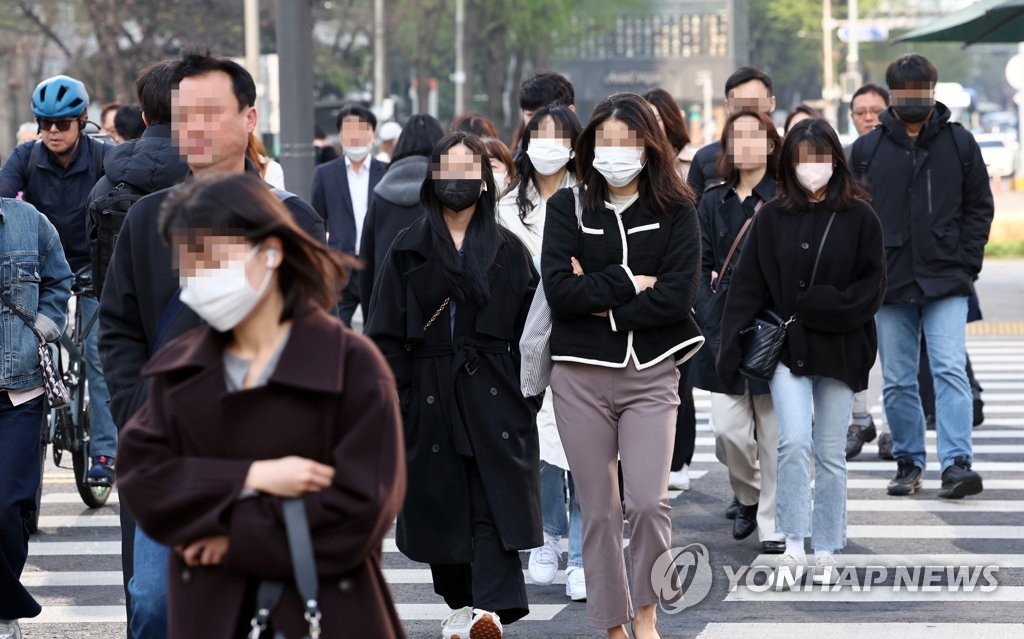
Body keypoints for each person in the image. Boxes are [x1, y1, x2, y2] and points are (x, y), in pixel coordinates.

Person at [116, 173, 405, 639]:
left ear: (270, 252)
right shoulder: (181, 368)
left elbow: (361, 511)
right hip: (208, 614)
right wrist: (251, 477)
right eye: (186, 265)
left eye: (210, 257)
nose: (197, 279)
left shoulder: (349, 364)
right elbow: (144, 479)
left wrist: (227, 538)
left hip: (325, 612)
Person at [99, 49, 326, 639]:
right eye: (184, 116)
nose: (193, 129)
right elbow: (118, 327)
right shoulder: (148, 220)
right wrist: (135, 414)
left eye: (209, 112)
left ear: (250, 118)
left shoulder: (293, 220)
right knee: (153, 604)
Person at [365, 132, 541, 639]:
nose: (458, 180)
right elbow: (384, 332)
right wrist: (396, 401)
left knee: (491, 497)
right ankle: (464, 605)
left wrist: (527, 394)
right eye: (448, 169)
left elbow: (531, 332)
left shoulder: (508, 249)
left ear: (484, 181)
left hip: (495, 391)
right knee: (445, 501)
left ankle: (488, 609)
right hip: (428, 391)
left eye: (469, 170)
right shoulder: (408, 246)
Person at [542, 92, 702, 638]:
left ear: (648, 147)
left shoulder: (677, 209)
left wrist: (598, 291)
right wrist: (632, 283)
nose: (616, 152)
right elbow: (561, 292)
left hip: (652, 371)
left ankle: (647, 616)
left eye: (627, 141)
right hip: (579, 376)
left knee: (649, 502)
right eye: (605, 141)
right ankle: (612, 626)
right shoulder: (567, 208)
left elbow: (678, 297)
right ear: (589, 147)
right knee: (601, 510)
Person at [718, 117, 885, 589]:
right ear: (789, 164)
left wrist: (829, 305)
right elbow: (747, 285)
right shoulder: (771, 215)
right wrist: (730, 348)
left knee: (830, 451)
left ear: (836, 159)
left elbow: (873, 284)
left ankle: (827, 545)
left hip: (842, 347)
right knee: (792, 442)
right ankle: (794, 541)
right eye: (802, 157)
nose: (812, 167)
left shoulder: (860, 216)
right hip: (789, 349)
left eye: (821, 156)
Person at [850, 54, 993, 500]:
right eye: (904, 92)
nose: (913, 100)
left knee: (950, 368)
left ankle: (956, 463)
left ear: (933, 91)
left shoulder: (959, 143)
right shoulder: (867, 151)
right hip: (890, 282)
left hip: (948, 277)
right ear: (892, 96)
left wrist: (967, 260)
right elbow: (852, 216)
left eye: (921, 91)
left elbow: (979, 207)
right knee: (897, 378)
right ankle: (909, 461)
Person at [0, 74, 118, 490]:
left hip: (93, 270)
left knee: (99, 357)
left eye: (62, 123)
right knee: (29, 349)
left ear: (83, 120)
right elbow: (3, 200)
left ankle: (105, 451)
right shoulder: (25, 158)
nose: (52, 131)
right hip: (42, 276)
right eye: (44, 123)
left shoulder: (106, 158)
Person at [497, 104, 587, 601]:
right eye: (539, 134)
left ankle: (580, 553)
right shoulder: (508, 205)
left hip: (579, 336)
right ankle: (550, 535)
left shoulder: (590, 202)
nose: (548, 144)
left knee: (585, 449)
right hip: (525, 339)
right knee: (543, 446)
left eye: (559, 135)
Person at [689, 110, 785, 554]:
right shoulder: (711, 201)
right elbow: (700, 266)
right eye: (736, 136)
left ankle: (771, 522)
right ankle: (747, 497)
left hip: (773, 329)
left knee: (771, 433)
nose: (745, 143)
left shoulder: (786, 198)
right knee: (727, 431)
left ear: (770, 143)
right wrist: (709, 318)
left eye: (755, 135)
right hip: (724, 327)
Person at [0, 197, 73, 639]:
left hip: (20, 388)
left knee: (9, 506)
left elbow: (58, 279)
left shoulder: (30, 222)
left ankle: (5, 607)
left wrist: (41, 330)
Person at [643, 87, 697, 491]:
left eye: (658, 118)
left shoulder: (693, 166)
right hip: (641, 296)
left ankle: (679, 458)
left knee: (681, 380)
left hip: (676, 291)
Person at [310, 104, 387, 327]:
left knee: (379, 332)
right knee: (334, 332)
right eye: (348, 129)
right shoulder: (324, 174)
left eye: (361, 129)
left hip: (375, 265)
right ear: (340, 134)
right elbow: (317, 219)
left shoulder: (387, 172)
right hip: (339, 268)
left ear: (372, 133)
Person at [359, 113, 445, 312]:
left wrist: (370, 318)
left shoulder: (380, 193)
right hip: (435, 308)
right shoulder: (444, 191)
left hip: (386, 306)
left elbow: (367, 262)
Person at [687, 67, 776, 204]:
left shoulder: (789, 153)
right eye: (740, 105)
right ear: (728, 107)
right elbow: (694, 217)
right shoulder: (704, 159)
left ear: (771, 103)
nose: (748, 112)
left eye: (755, 103)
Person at [643, 88, 691, 177]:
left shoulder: (694, 163)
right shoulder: (639, 165)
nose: (651, 126)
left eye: (656, 119)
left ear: (671, 120)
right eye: (647, 120)